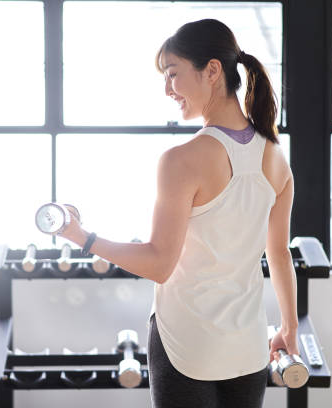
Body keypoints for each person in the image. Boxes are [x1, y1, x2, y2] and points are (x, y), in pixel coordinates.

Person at [58, 18, 298, 408]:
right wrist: (288, 327)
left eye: (173, 74)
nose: (168, 89)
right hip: (248, 349)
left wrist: (82, 237)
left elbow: (158, 264)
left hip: (188, 346)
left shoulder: (181, 160)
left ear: (213, 70)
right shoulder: (276, 158)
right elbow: (280, 254)